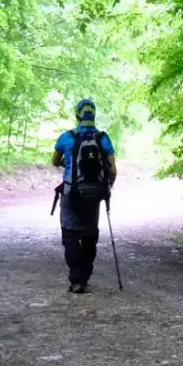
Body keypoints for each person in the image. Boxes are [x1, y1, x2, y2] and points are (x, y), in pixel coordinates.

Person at [52, 98, 117, 294]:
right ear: (94, 115)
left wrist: (68, 163)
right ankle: (85, 278)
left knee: (70, 236)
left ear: (77, 115)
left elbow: (55, 161)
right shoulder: (102, 138)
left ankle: (76, 279)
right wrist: (105, 190)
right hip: (93, 195)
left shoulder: (66, 138)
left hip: (71, 193)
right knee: (89, 237)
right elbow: (113, 170)